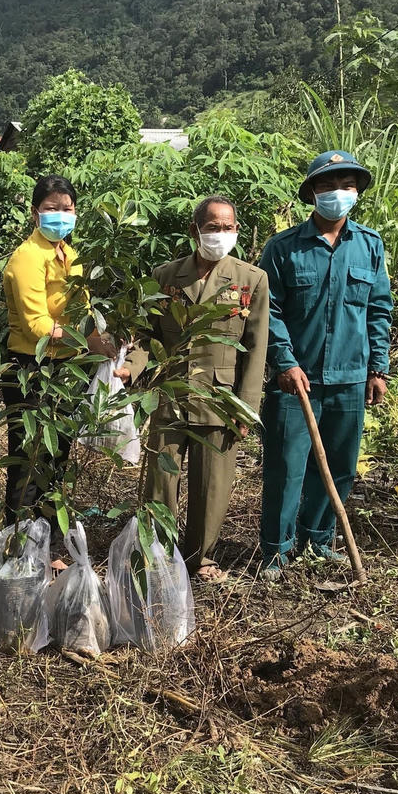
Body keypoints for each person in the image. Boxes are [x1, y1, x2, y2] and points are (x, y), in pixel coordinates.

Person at [257, 151, 393, 581]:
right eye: (328, 185)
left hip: (350, 378)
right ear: (312, 193)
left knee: (339, 466)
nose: (338, 193)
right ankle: (276, 551)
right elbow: (268, 311)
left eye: (347, 185)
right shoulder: (283, 248)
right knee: (285, 468)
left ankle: (317, 540)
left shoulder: (369, 245)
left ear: (357, 192)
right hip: (295, 382)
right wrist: (285, 362)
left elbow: (379, 309)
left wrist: (378, 368)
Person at [135, 196, 269, 584]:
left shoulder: (251, 279)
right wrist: (130, 370)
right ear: (195, 231)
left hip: (220, 398)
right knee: (160, 481)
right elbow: (146, 335)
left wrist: (246, 407)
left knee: (212, 485)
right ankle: (157, 552)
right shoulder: (165, 276)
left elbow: (256, 347)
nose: (220, 234)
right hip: (170, 393)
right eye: (213, 227)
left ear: (237, 230)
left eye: (228, 227)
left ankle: (200, 557)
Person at [1, 175, 117, 541]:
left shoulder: (72, 256)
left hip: (66, 366)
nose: (60, 216)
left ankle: (47, 539)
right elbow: (36, 324)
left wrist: (102, 339)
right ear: (35, 212)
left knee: (57, 456)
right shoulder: (27, 257)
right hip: (31, 367)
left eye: (67, 209)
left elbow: (83, 310)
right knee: (28, 458)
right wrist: (87, 340)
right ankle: (19, 544)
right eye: (52, 208)